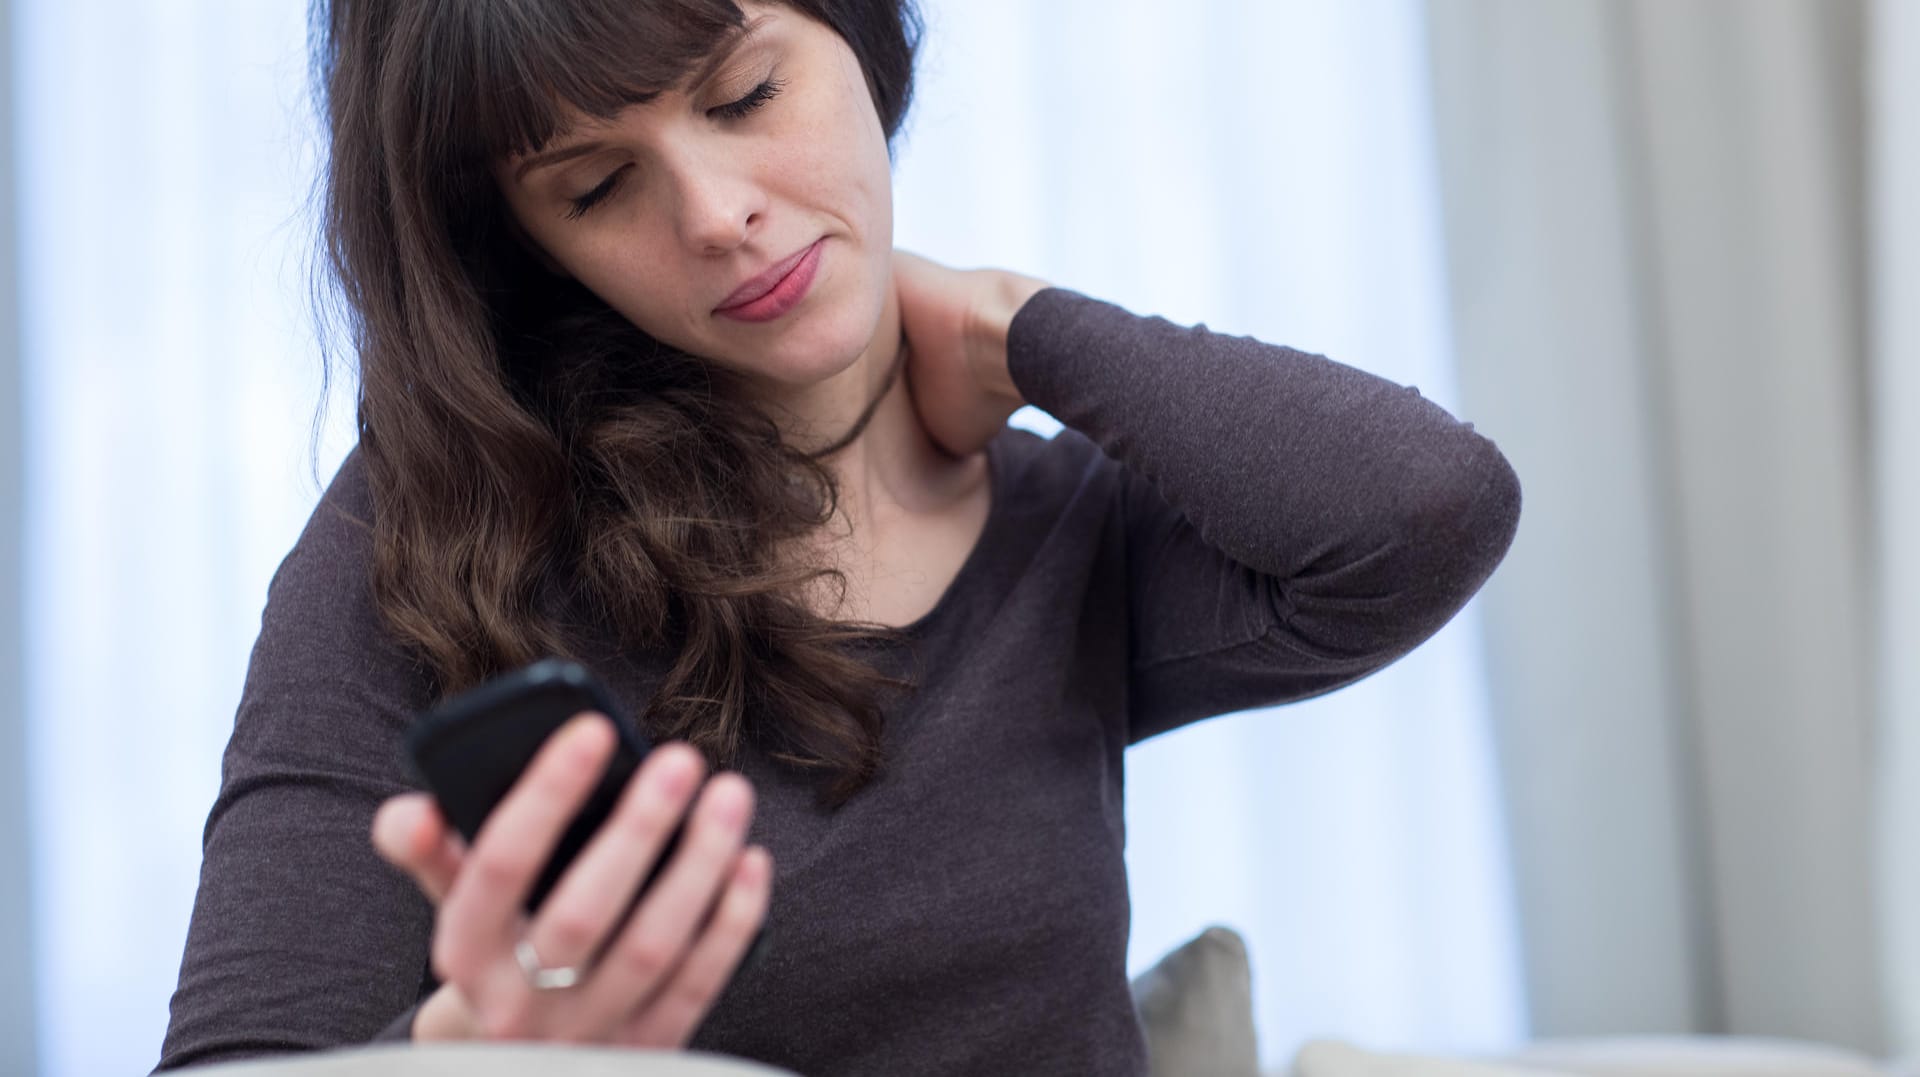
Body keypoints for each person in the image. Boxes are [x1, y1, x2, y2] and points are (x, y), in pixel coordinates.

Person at [157, 0, 1523, 1073]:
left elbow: (1423, 511)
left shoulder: (1056, 524)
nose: (716, 216)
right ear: (524, 246)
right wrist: (473, 1066)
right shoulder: (434, 542)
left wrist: (1011, 325)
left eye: (746, 94)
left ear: (858, 32)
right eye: (594, 188)